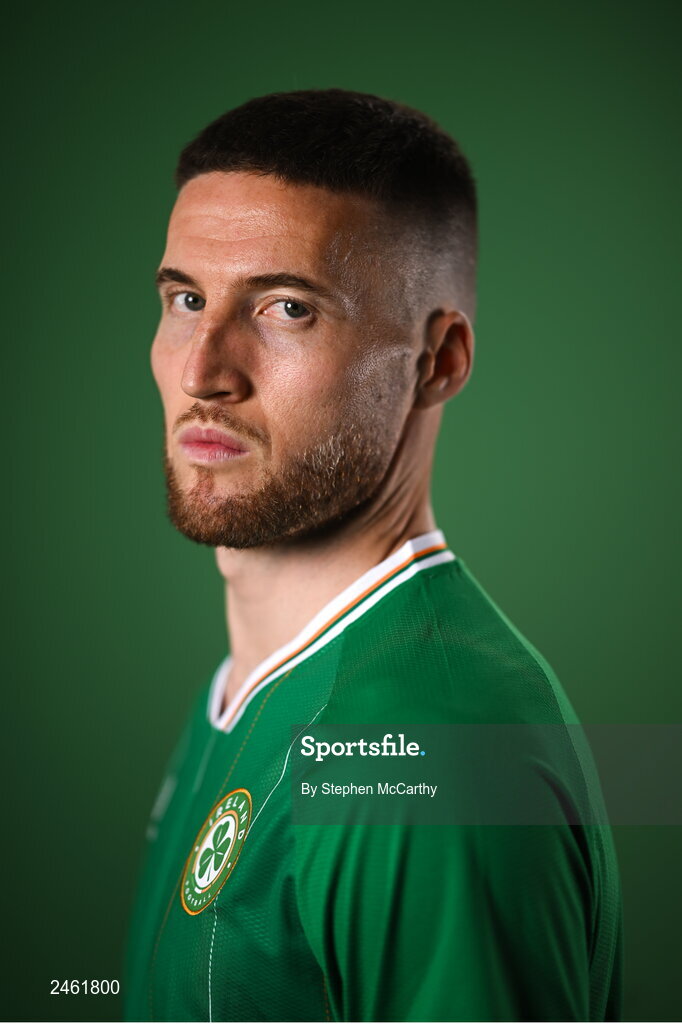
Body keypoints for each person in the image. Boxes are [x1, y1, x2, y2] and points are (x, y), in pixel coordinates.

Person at [123, 88, 623, 1022]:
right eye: (186, 298)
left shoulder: (426, 753)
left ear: (438, 361)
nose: (203, 370)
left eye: (285, 309)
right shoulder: (261, 682)